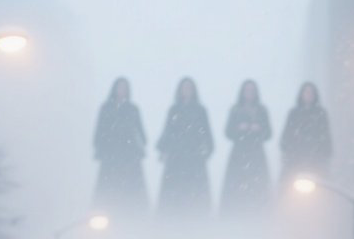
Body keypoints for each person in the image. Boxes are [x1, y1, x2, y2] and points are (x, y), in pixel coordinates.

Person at [156, 77, 214, 217]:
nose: (187, 91)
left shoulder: (200, 111)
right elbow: (167, 131)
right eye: (184, 88)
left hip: (195, 162)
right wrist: (163, 149)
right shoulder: (174, 110)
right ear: (179, 91)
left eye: (189, 88)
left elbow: (208, 136)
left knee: (195, 198)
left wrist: (205, 153)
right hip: (175, 161)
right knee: (173, 198)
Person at [93, 77, 148, 215]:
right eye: (119, 87)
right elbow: (99, 133)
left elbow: (142, 134)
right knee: (108, 194)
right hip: (110, 160)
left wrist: (136, 146)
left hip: (130, 161)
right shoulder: (106, 109)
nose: (122, 91)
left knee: (131, 195)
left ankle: (132, 220)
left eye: (125, 88)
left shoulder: (133, 109)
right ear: (114, 89)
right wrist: (103, 147)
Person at [219, 79, 272, 215]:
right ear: (242, 92)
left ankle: (258, 215)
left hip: (256, 156)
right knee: (236, 187)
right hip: (238, 156)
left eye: (252, 90)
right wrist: (239, 129)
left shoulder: (262, 110)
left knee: (257, 187)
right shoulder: (235, 110)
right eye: (247, 90)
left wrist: (258, 129)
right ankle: (235, 216)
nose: (249, 93)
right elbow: (228, 132)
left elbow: (269, 133)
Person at [278, 81, 332, 190]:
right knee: (287, 187)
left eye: (311, 93)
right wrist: (288, 149)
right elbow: (286, 136)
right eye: (306, 92)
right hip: (296, 160)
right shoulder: (294, 113)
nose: (308, 95)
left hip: (315, 160)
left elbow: (325, 136)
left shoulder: (320, 114)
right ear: (301, 94)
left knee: (321, 189)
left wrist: (325, 152)